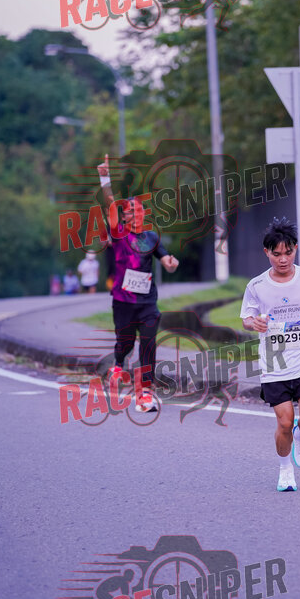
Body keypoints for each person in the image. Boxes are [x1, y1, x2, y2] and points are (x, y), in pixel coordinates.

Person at [240, 217, 300, 492]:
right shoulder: (256, 285)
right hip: (274, 365)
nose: (283, 259)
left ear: (295, 249)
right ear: (266, 252)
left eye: (288, 252)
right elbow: (246, 318)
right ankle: (285, 470)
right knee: (285, 421)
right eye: (276, 254)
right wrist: (254, 323)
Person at [97, 154, 179, 412]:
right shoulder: (118, 233)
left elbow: (164, 257)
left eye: (140, 210)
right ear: (123, 216)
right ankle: (118, 363)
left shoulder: (151, 237)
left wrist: (170, 263)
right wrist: (105, 179)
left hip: (147, 303)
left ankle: (145, 393)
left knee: (148, 344)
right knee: (125, 343)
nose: (136, 214)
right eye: (131, 211)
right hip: (123, 301)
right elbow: (110, 205)